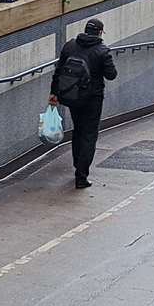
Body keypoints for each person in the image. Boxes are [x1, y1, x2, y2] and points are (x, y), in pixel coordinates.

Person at [49, 18, 118, 189]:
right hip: (92, 99)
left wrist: (54, 93)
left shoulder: (70, 46)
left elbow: (58, 71)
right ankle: (81, 175)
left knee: (78, 131)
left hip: (72, 96)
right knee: (89, 135)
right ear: (100, 32)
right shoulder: (102, 51)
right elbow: (111, 75)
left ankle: (77, 164)